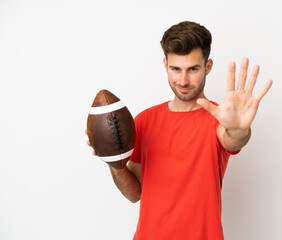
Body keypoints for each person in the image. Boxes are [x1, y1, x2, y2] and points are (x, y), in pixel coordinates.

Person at [87, 21, 272, 240]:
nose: (183, 80)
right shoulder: (144, 121)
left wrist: (239, 129)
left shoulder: (218, 120)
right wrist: (114, 163)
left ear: (208, 66)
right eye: (176, 69)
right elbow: (134, 193)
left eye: (193, 69)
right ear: (165, 65)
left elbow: (234, 140)